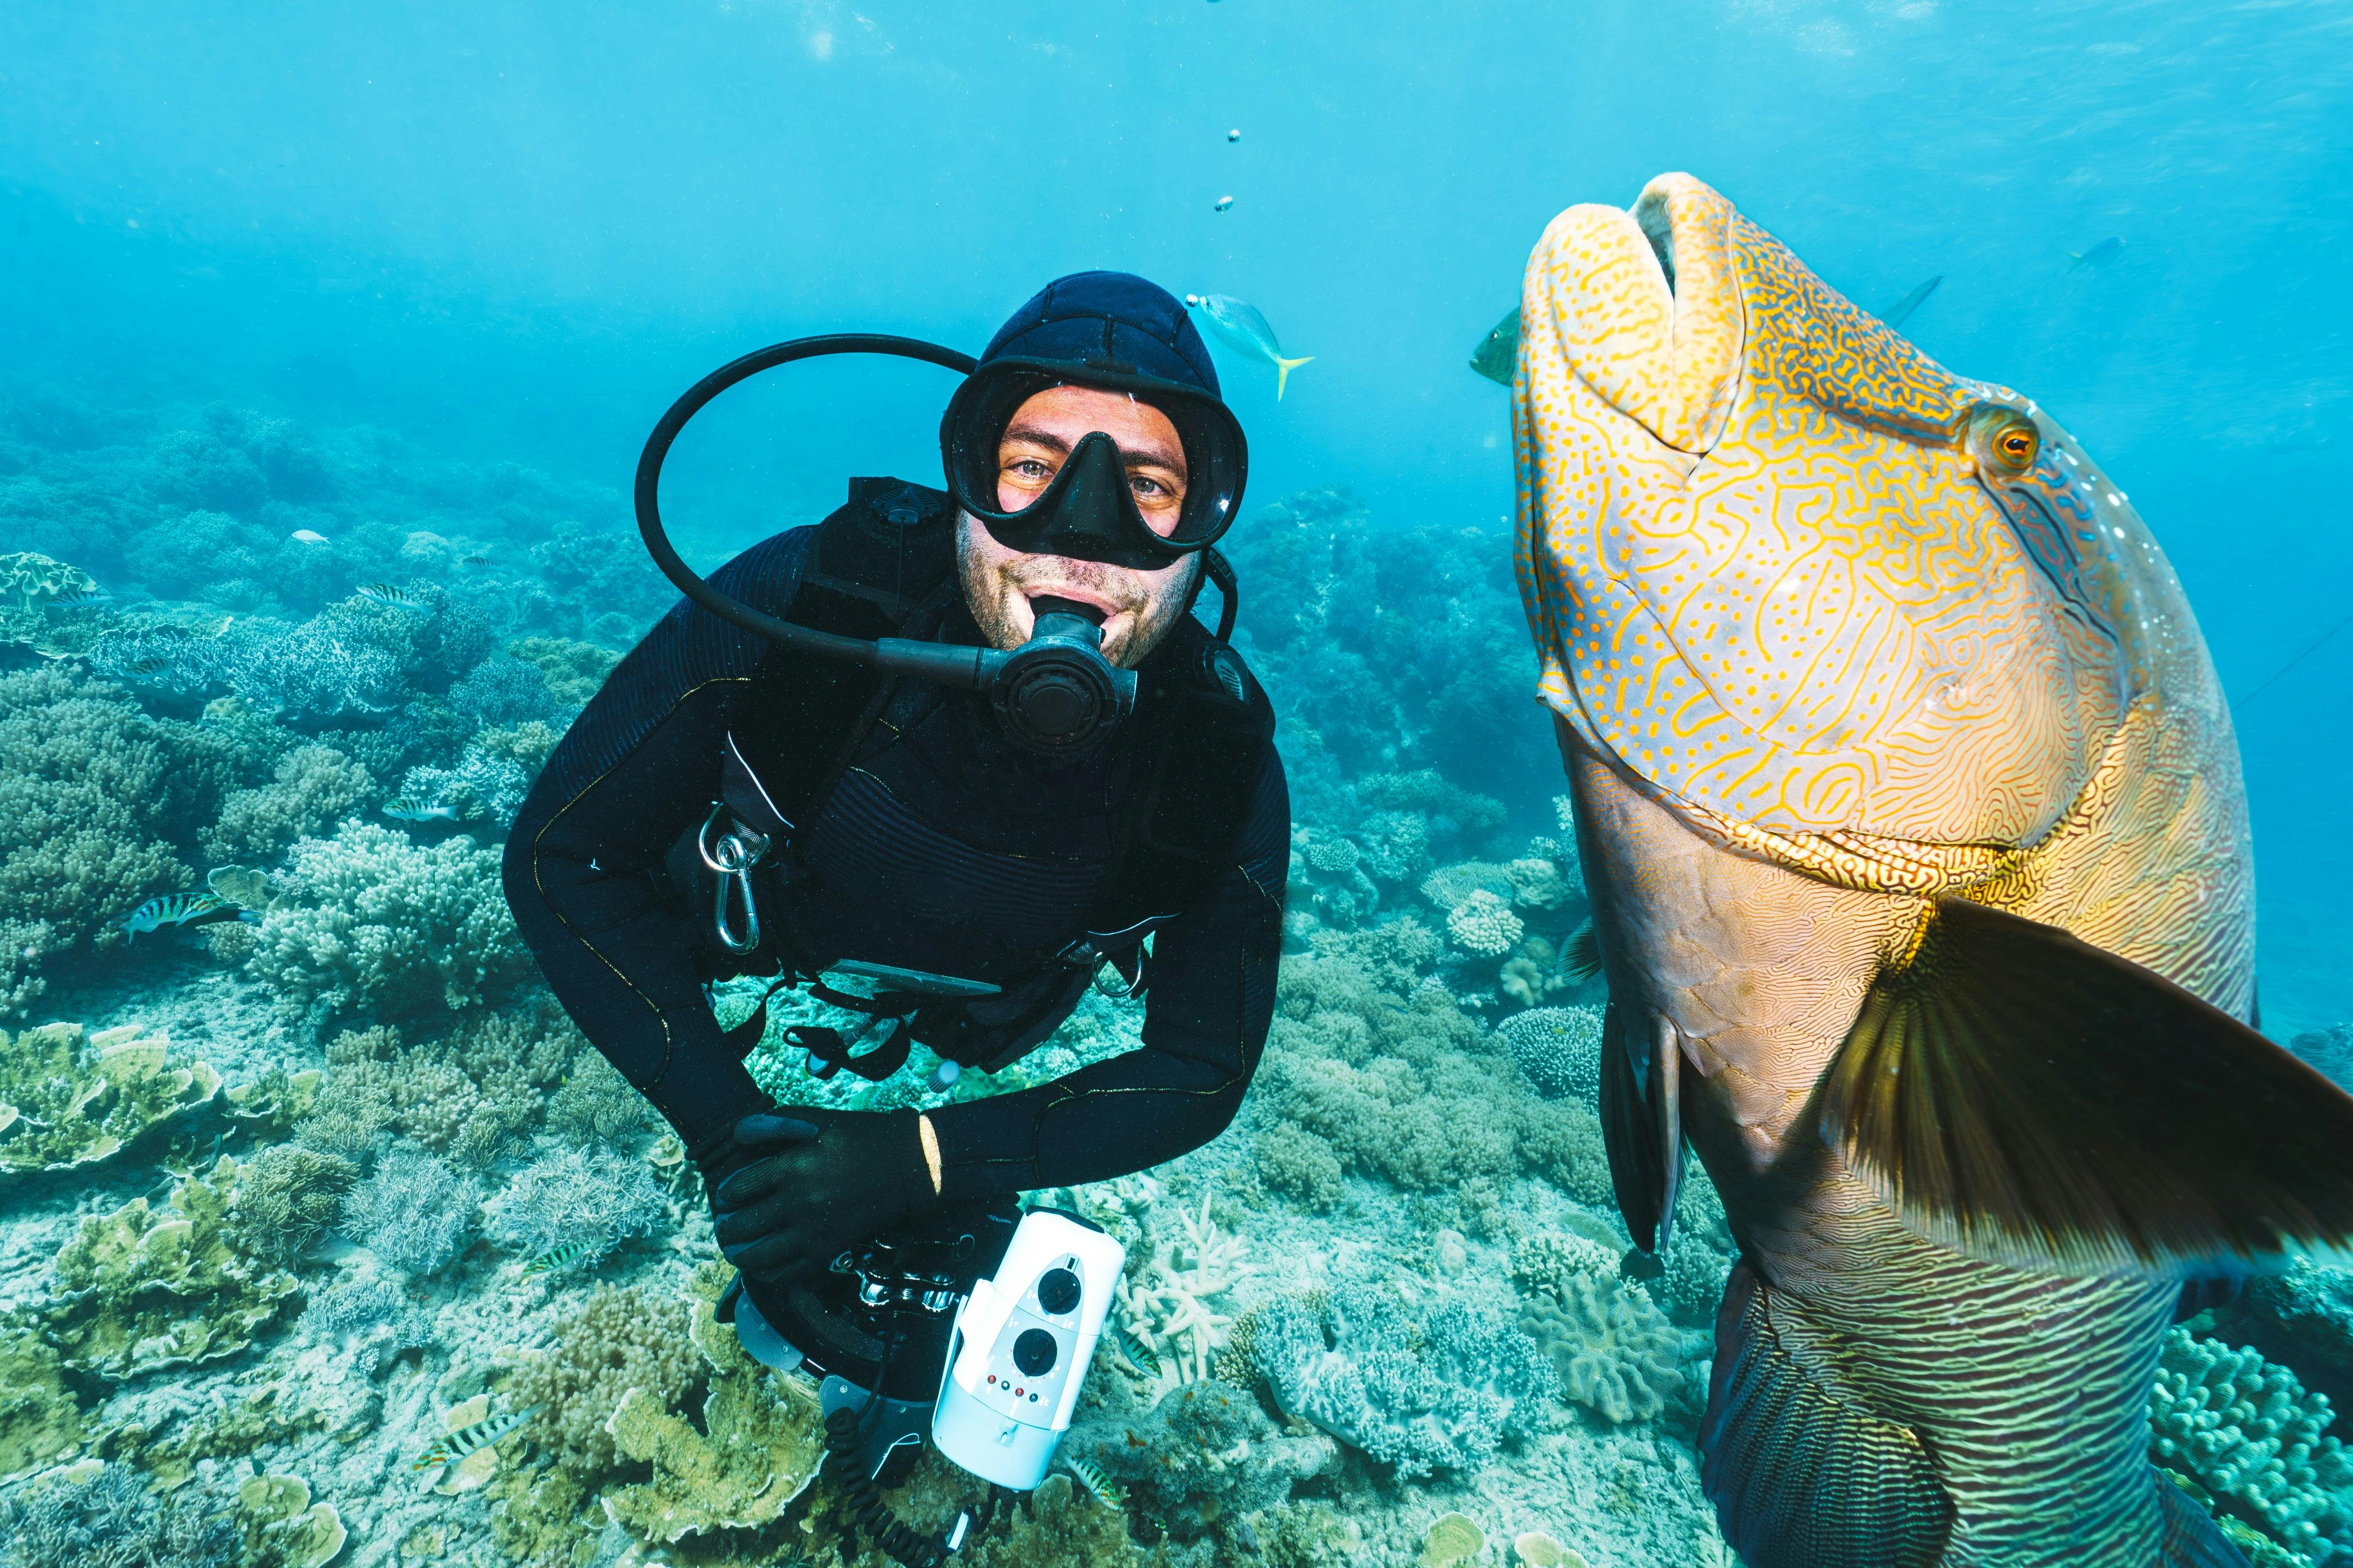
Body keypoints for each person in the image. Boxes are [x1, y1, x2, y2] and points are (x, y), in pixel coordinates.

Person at [502, 271, 1287, 1400]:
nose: (1082, 534)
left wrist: (920, 1163)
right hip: (761, 937)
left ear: (1203, 524)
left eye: (1151, 485)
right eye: (1029, 466)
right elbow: (558, 858)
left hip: (988, 1017)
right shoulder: (810, 613)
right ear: (963, 479)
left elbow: (1201, 1070)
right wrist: (741, 1150)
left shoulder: (1219, 761)